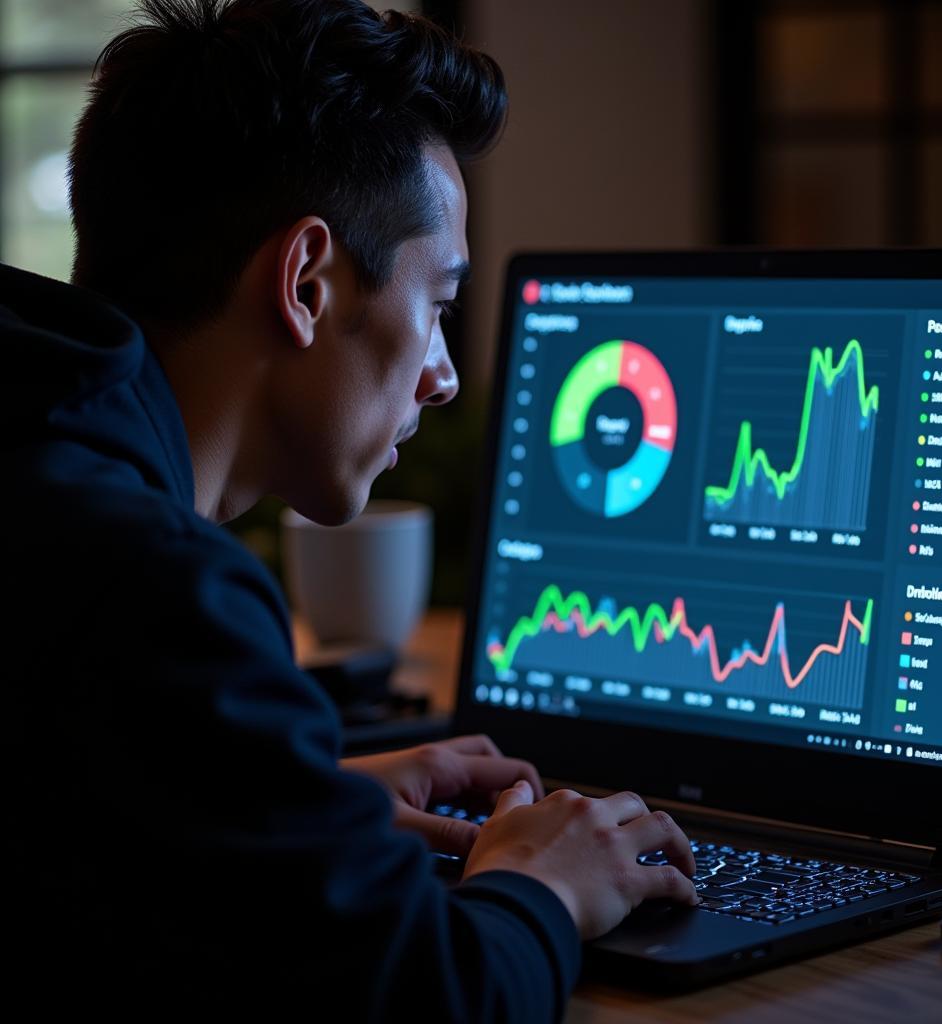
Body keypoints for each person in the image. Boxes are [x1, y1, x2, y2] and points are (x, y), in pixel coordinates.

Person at [1, 0, 697, 1016]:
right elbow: (431, 1000)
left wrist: (292, 796)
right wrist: (541, 885)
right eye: (440, 304)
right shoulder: (159, 593)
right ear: (308, 282)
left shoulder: (39, 462)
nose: (446, 376)